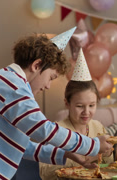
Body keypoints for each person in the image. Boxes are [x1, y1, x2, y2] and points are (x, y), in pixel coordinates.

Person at [0, 29, 112, 179]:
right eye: (51, 77)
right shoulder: (13, 86)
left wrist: (67, 153)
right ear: (37, 65)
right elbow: (43, 130)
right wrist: (92, 145)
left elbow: (22, 147)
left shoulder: (5, 80)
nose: (48, 86)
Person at [39, 49, 113, 180]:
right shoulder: (57, 131)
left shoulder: (98, 128)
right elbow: (45, 172)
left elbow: (109, 166)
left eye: (92, 105)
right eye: (80, 106)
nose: (86, 112)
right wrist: (85, 157)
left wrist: (108, 153)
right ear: (67, 103)